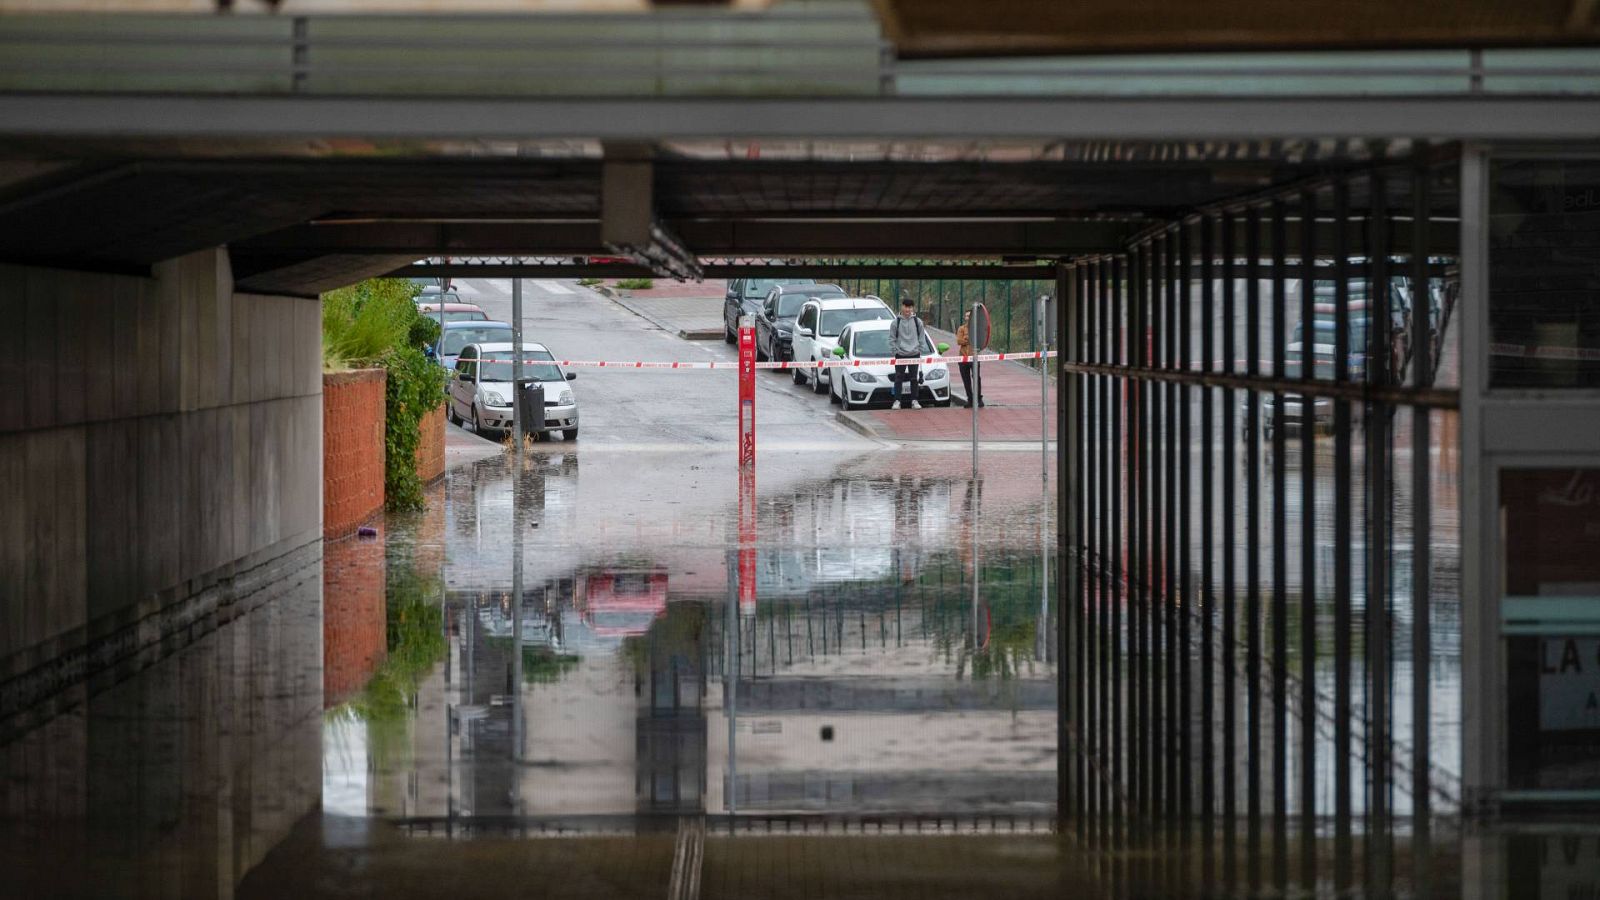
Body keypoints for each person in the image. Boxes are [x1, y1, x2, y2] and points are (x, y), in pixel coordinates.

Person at [888, 297, 927, 410]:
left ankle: (914, 401)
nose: (908, 309)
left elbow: (922, 337)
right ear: (902, 306)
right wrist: (895, 351)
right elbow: (891, 338)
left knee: (914, 378)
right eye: (906, 306)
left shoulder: (917, 321)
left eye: (910, 307)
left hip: (914, 354)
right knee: (898, 378)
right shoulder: (896, 322)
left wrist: (920, 349)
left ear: (913, 308)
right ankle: (897, 401)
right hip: (900, 354)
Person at [955, 309, 985, 408]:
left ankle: (979, 399)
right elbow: (959, 341)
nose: (968, 318)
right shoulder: (961, 328)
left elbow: (980, 341)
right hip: (963, 358)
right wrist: (970, 339)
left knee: (976, 378)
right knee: (966, 379)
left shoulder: (977, 329)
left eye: (970, 316)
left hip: (974, 357)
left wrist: (967, 339)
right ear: (965, 317)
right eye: (966, 316)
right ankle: (970, 399)